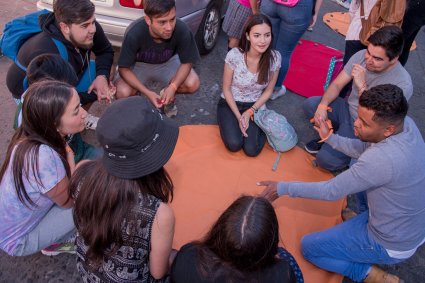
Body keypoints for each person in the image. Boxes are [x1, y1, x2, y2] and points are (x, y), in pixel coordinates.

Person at [259, 84, 425, 283]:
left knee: (310, 248)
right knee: (357, 162)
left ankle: (366, 273)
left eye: (364, 123)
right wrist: (329, 138)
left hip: (390, 241)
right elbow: (362, 149)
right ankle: (363, 217)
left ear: (388, 129)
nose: (355, 124)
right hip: (406, 223)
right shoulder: (406, 124)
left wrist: (282, 187)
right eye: (358, 117)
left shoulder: (381, 160)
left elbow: (331, 191)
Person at [70, 96, 179, 282]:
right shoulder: (159, 214)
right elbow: (158, 272)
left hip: (88, 270)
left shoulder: (81, 170)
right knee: (185, 258)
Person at [303, 26, 413, 172]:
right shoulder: (362, 55)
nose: (368, 60)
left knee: (326, 161)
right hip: (347, 110)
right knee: (311, 105)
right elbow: (337, 84)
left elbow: (377, 119)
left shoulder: (402, 84)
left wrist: (362, 87)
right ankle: (336, 135)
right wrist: (323, 106)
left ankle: (350, 150)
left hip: (364, 125)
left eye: (377, 58)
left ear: (394, 59)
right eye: (369, 52)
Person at [0, 80, 88, 256]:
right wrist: (73, 163)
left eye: (81, 105)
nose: (85, 114)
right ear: (53, 124)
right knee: (89, 198)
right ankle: (53, 244)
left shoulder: (27, 138)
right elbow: (69, 201)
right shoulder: (45, 158)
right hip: (18, 241)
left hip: (8, 226)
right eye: (76, 111)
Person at [6, 0, 115, 127]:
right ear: (65, 27)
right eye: (85, 26)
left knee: (107, 71)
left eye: (93, 22)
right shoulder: (47, 52)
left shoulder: (89, 27)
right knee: (57, 115)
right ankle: (66, 131)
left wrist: (102, 76)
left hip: (65, 78)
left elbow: (105, 51)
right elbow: (53, 100)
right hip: (38, 92)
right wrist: (95, 94)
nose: (93, 29)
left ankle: (80, 118)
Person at [170, 195, 303, 283]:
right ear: (269, 245)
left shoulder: (188, 256)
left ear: (219, 230)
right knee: (287, 256)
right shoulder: (283, 273)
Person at [116, 0, 200, 117]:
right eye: (162, 22)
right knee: (122, 92)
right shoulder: (134, 32)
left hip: (168, 62)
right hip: (140, 65)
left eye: (172, 19)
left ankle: (166, 96)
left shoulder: (182, 29)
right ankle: (138, 103)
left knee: (193, 83)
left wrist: (173, 86)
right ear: (148, 20)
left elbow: (187, 62)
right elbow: (123, 69)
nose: (169, 27)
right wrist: (147, 92)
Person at [16, 54, 102, 162]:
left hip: (79, 149)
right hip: (66, 164)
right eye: (76, 110)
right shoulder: (43, 155)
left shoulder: (60, 102)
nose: (84, 112)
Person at [217, 14, 281, 157]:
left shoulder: (275, 58)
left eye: (267, 35)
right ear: (247, 36)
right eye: (257, 35)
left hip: (254, 105)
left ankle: (265, 127)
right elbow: (226, 89)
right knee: (234, 144)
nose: (263, 41)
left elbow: (269, 90)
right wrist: (239, 116)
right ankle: (243, 122)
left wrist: (250, 111)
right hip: (230, 103)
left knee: (251, 150)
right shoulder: (234, 55)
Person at [261, 0, 323, 100]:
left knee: (267, 45)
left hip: (270, 3)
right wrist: (315, 12)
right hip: (298, 7)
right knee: (284, 52)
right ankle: (274, 89)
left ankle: (258, 82)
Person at [399, 0, 425, 66]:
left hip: (417, 8)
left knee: (395, 41)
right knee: (405, 43)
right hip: (418, 9)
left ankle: (390, 71)